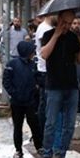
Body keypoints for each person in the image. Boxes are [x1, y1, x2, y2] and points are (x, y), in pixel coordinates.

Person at [39, 10, 80, 158]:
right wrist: (56, 35)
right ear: (58, 20)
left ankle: (63, 153)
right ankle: (47, 153)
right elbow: (44, 54)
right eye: (64, 22)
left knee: (69, 124)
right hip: (54, 86)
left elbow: (79, 61)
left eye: (70, 22)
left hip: (71, 86)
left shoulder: (74, 38)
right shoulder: (48, 35)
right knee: (51, 123)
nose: (67, 26)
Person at [2, 41, 42, 158]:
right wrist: (14, 93)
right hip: (17, 102)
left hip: (31, 102)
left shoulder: (34, 64)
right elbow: (6, 81)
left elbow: (39, 78)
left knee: (35, 125)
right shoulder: (12, 64)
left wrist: (36, 89)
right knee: (18, 126)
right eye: (31, 51)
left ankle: (39, 147)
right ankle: (18, 150)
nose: (33, 53)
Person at [34, 13, 54, 143]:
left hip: (45, 70)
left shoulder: (44, 27)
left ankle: (42, 135)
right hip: (45, 71)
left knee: (44, 104)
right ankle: (42, 136)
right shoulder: (46, 29)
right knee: (45, 105)